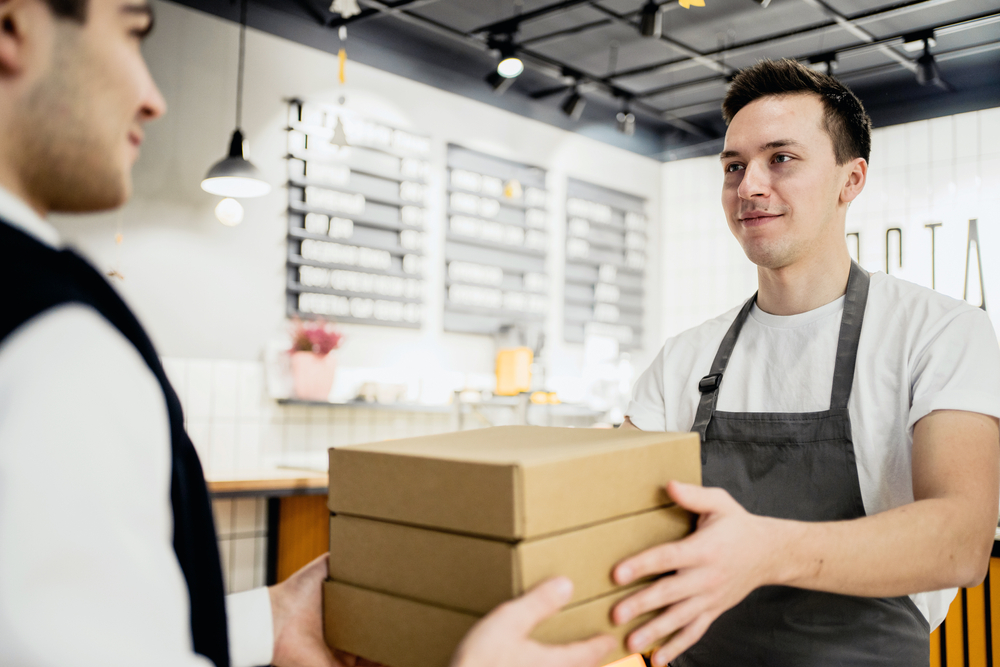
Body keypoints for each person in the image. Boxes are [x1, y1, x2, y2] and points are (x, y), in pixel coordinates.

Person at [0, 1, 616, 666]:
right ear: (12, 25)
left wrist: (269, 617)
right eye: (133, 34)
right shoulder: (54, 336)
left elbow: (111, 635)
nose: (154, 99)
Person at [614, 58, 1000, 666]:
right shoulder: (684, 358)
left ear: (852, 179)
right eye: (734, 166)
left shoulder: (940, 332)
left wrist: (765, 550)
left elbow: (961, 540)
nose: (750, 186)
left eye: (781, 159)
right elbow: (605, 510)